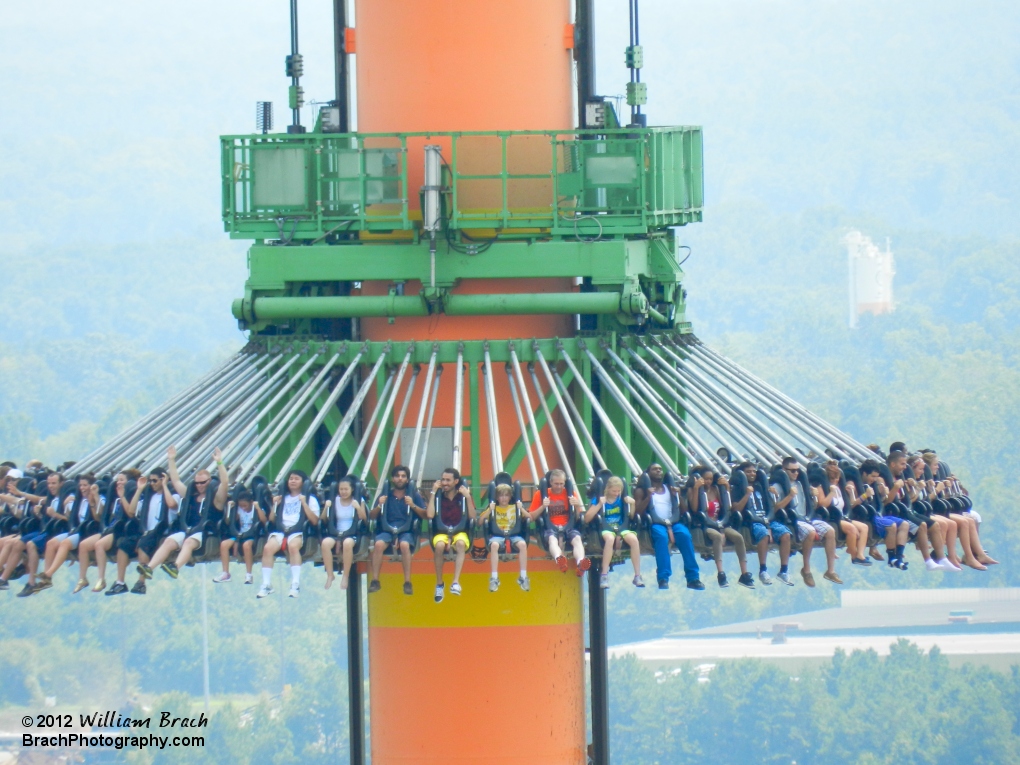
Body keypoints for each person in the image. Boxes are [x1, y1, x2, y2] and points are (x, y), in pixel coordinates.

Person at [138, 447, 229, 587]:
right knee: (169, 541)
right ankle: (149, 567)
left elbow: (225, 483)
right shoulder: (190, 496)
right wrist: (171, 460)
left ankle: (176, 567)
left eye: (203, 483)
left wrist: (219, 463)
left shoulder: (216, 499)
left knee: (188, 542)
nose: (199, 486)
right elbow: (176, 481)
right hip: (188, 529)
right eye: (197, 483)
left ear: (209, 481)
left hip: (204, 533)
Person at [108, 467, 181, 595]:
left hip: (161, 532)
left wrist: (164, 486)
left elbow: (172, 505)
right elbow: (131, 511)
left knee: (143, 545)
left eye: (155, 481)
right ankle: (120, 582)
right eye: (150, 481)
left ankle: (141, 582)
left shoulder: (173, 494)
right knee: (123, 546)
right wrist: (139, 489)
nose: (152, 484)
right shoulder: (148, 497)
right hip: (145, 532)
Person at [634, 463, 703, 590]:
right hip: (655, 523)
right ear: (648, 473)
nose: (658, 471)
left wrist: (678, 496)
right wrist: (648, 497)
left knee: (685, 535)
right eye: (655, 469)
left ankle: (693, 577)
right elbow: (637, 512)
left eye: (660, 469)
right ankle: (663, 577)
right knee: (661, 539)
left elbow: (684, 511)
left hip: (674, 522)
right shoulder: (642, 491)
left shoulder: (669, 488)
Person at [34, 474, 104, 592]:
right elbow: (70, 518)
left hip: (87, 532)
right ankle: (46, 578)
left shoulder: (97, 498)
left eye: (85, 485)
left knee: (65, 543)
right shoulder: (78, 499)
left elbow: (99, 517)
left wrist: (93, 499)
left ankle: (49, 573)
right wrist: (66, 505)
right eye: (81, 485)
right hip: (76, 530)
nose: (82, 488)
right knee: (51, 544)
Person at [0, 471, 65, 596]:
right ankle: (3, 579)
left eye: (54, 483)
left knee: (30, 544)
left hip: (54, 531)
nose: (51, 486)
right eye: (49, 483)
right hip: (42, 529)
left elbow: (39, 500)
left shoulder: (64, 497)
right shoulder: (51, 498)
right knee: (18, 544)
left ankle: (32, 581)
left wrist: (19, 494)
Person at [257, 470, 320, 598]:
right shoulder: (282, 498)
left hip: (298, 531)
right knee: (268, 548)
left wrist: (304, 503)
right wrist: (275, 505)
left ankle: (295, 583)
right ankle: (266, 583)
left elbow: (315, 520)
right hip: (281, 531)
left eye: (296, 479)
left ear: (303, 482)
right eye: (291, 478)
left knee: (293, 546)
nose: (292, 481)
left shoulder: (310, 499)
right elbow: (272, 520)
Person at [687, 467, 752, 588]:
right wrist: (696, 488)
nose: (708, 482)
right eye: (705, 479)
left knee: (738, 537)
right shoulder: (693, 490)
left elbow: (728, 507)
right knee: (716, 537)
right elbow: (695, 508)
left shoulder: (715, 489)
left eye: (710, 479)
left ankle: (744, 573)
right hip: (705, 525)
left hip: (720, 523)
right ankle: (721, 573)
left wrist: (726, 488)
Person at [730, 461, 790, 585]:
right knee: (763, 534)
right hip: (752, 521)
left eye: (753, 471)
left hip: (767, 519)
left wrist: (774, 495)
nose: (752, 474)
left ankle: (784, 570)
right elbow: (736, 509)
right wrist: (747, 494)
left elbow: (771, 506)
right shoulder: (737, 489)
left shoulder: (761, 486)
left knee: (785, 534)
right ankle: (763, 570)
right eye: (748, 472)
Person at [369, 465, 426, 595]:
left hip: (406, 531)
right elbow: (371, 516)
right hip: (386, 530)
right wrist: (379, 505)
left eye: (403, 476)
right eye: (397, 476)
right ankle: (375, 580)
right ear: (393, 479)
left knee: (405, 545)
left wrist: (413, 505)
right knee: (378, 544)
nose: (400, 479)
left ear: (407, 479)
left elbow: (425, 515)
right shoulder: (384, 495)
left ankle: (407, 582)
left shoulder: (414, 495)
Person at [427, 468, 476, 602]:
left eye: (448, 480)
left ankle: (455, 582)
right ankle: (439, 584)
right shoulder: (438, 497)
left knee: (460, 544)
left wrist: (468, 497)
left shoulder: (462, 496)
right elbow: (430, 515)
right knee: (439, 546)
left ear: (456, 481)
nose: (444, 483)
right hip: (441, 532)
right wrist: (433, 492)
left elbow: (473, 516)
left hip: (459, 532)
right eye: (443, 480)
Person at [585, 476, 643, 589]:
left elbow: (631, 517)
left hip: (621, 527)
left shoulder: (621, 499)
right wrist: (599, 505)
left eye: (618, 491)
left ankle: (637, 575)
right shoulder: (599, 499)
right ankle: (604, 574)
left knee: (634, 540)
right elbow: (587, 518)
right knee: (610, 539)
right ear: (607, 489)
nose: (616, 493)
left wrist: (632, 504)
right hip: (606, 528)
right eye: (614, 491)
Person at [530, 469, 587, 576]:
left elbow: (578, 516)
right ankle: (559, 559)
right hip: (550, 527)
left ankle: (580, 563)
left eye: (561, 484)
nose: (559, 486)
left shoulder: (571, 494)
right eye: (556, 484)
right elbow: (531, 517)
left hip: (568, 526)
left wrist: (577, 505)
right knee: (552, 539)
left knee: (577, 539)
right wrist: (543, 506)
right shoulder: (540, 494)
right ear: (550, 482)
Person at [819, 460, 872, 567]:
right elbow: (823, 504)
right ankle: (854, 555)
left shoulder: (839, 488)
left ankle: (860, 554)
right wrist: (831, 493)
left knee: (864, 527)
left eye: (836, 478)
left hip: (842, 516)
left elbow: (851, 503)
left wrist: (851, 492)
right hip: (831, 518)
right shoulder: (822, 488)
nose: (835, 481)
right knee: (852, 530)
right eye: (832, 479)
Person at [859, 460, 911, 569]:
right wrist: (864, 495)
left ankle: (899, 556)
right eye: (872, 476)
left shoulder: (873, 484)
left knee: (904, 524)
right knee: (891, 525)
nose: (874, 479)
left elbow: (882, 502)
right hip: (869, 516)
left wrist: (883, 494)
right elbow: (852, 503)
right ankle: (892, 558)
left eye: (876, 477)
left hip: (879, 513)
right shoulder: (857, 484)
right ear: (864, 473)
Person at [480, 483, 529, 592]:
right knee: (494, 545)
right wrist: (489, 510)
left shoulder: (515, 508)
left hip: (513, 534)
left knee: (522, 544)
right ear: (497, 497)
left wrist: (522, 509)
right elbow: (479, 521)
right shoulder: (493, 508)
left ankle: (523, 576)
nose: (504, 498)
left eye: (506, 495)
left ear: (510, 497)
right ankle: (494, 578)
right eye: (501, 496)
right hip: (498, 535)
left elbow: (529, 518)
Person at [320, 477, 366, 591]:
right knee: (325, 543)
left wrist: (358, 508)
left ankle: (345, 575)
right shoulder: (334, 500)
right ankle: (330, 574)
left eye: (346, 489)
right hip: (336, 532)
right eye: (341, 489)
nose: (343, 492)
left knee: (347, 543)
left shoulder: (359, 500)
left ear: (352, 489)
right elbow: (324, 519)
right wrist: (326, 508)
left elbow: (364, 519)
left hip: (352, 533)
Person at [213, 489, 266, 584]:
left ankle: (249, 574)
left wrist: (257, 508)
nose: (243, 508)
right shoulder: (239, 509)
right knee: (224, 544)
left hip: (251, 535)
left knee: (246, 546)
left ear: (250, 502)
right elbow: (229, 521)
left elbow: (264, 521)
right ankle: (225, 573)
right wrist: (230, 509)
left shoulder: (255, 509)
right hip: (239, 534)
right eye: (241, 506)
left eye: (245, 506)